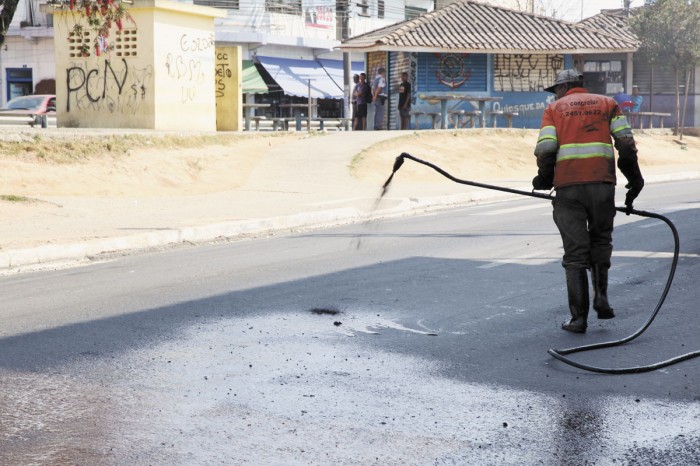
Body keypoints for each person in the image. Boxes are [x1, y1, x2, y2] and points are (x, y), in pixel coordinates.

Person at [532, 69, 645, 334]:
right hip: (602, 185)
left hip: (568, 188)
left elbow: (547, 148)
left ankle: (579, 319)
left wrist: (544, 178)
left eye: (556, 89)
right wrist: (635, 179)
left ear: (564, 87)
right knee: (601, 241)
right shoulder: (608, 104)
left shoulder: (555, 109)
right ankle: (602, 298)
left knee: (575, 254)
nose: (556, 94)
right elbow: (626, 145)